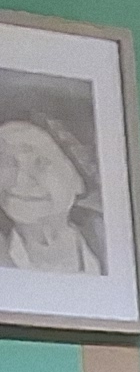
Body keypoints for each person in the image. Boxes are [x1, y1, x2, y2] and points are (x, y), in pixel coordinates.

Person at [0, 106, 104, 274]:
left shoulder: (109, 240)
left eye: (41, 163)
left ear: (79, 178)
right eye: (5, 162)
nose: (19, 180)